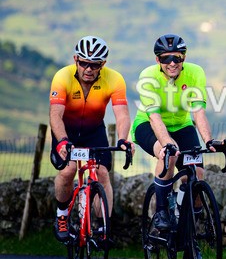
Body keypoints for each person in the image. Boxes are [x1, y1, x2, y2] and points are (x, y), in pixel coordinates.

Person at [49, 35, 132, 242]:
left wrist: (123, 139)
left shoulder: (114, 79)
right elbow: (55, 115)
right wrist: (61, 141)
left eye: (94, 65)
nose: (88, 68)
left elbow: (122, 114)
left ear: (102, 64)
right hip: (66, 131)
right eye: (84, 63)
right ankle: (61, 216)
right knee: (68, 170)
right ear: (76, 59)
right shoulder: (62, 76)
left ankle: (104, 227)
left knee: (102, 173)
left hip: (94, 131)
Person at [132, 34, 215, 232]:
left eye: (176, 58)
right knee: (167, 155)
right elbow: (154, 118)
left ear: (184, 58)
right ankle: (161, 211)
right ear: (157, 60)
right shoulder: (148, 76)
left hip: (182, 125)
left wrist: (209, 140)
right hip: (148, 124)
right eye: (165, 58)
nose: (171, 63)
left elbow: (198, 112)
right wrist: (168, 143)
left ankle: (188, 224)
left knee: (198, 174)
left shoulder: (195, 73)